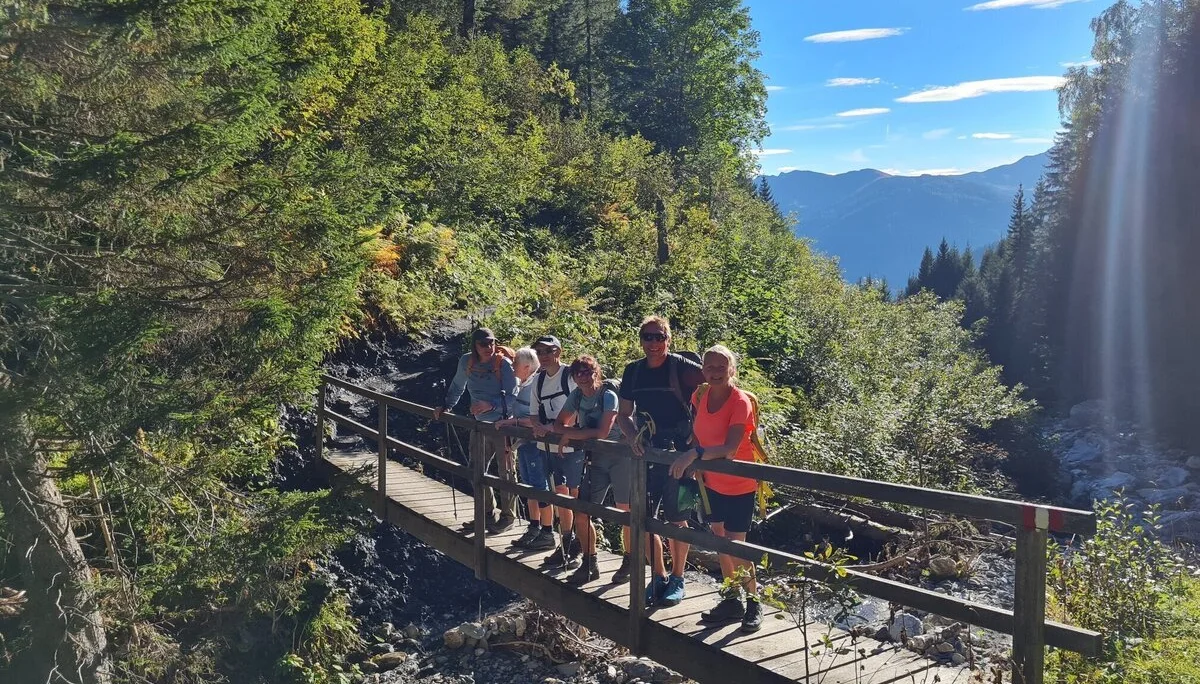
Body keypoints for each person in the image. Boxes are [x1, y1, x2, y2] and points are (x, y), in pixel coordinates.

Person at [668, 345, 763, 633]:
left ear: (732, 369)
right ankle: (732, 599)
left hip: (740, 484)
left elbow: (730, 449)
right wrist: (698, 458)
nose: (715, 372)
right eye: (709, 367)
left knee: (736, 546)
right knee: (720, 540)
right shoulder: (701, 395)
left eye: (722, 367)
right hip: (711, 483)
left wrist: (695, 454)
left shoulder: (740, 402)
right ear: (703, 371)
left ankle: (754, 602)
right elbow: (700, 430)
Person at [616, 316, 704, 607]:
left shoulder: (682, 367)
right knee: (645, 517)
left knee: (679, 517)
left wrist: (698, 442)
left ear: (669, 339)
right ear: (640, 339)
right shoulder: (633, 372)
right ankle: (660, 575)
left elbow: (717, 391)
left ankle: (678, 578)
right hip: (649, 453)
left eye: (659, 337)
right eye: (647, 337)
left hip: (682, 455)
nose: (653, 343)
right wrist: (632, 437)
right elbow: (624, 414)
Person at [541, 355, 627, 586]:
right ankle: (590, 563)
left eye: (587, 372)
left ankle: (629, 561)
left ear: (596, 372)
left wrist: (571, 434)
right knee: (582, 510)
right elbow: (560, 423)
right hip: (596, 460)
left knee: (626, 513)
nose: (583, 377)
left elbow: (603, 431)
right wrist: (568, 432)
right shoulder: (577, 396)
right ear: (573, 377)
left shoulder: (608, 396)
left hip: (621, 458)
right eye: (578, 373)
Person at [434, 327, 519, 534]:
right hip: (479, 425)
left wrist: (491, 405)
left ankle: (508, 517)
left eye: (491, 342)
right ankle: (486, 514)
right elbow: (458, 385)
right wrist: (446, 406)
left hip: (502, 425)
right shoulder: (467, 362)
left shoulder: (503, 364)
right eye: (483, 344)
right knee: (475, 469)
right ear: (475, 345)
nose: (488, 347)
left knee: (505, 472)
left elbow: (514, 397)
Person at [527, 335, 582, 569]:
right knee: (559, 495)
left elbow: (581, 407)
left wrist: (556, 427)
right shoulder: (538, 380)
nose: (544, 356)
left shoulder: (570, 376)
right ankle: (566, 543)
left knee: (573, 497)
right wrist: (539, 427)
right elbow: (532, 412)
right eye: (539, 352)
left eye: (548, 351)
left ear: (558, 352)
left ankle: (577, 547)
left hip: (570, 446)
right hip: (546, 446)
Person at [494, 347, 557, 551]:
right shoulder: (525, 384)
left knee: (539, 487)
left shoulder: (535, 387)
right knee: (528, 486)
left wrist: (513, 422)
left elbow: (537, 420)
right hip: (523, 444)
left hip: (535, 445)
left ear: (527, 367)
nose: (513, 369)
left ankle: (547, 533)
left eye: (516, 365)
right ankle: (534, 527)